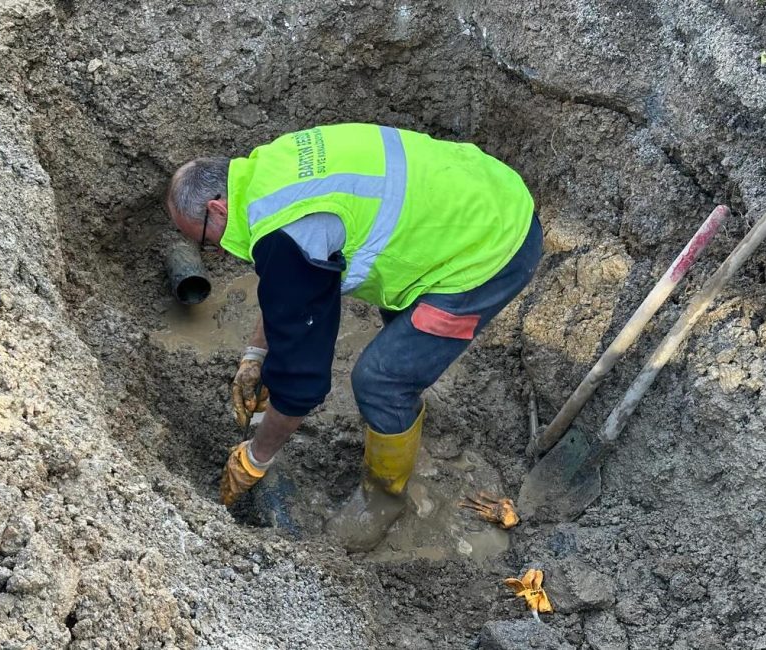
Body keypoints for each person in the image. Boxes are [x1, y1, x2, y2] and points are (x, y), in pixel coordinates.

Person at [165, 123, 542, 550]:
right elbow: (285, 282)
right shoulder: (265, 172)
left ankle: (383, 497)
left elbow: (301, 386)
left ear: (216, 209)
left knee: (381, 380)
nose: (213, 252)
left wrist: (256, 458)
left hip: (492, 250)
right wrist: (255, 355)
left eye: (205, 241)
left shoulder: (288, 235)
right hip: (476, 193)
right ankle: (400, 418)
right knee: (398, 331)